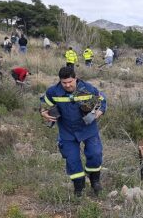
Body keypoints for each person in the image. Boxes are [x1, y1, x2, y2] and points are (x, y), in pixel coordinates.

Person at [40, 66, 107, 197]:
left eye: (70, 82)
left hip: (88, 128)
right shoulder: (54, 91)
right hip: (67, 131)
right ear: (60, 81)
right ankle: (79, 187)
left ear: (75, 78)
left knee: (95, 153)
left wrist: (99, 112)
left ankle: (95, 180)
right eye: (64, 83)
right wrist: (44, 112)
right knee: (72, 160)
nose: (67, 85)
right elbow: (44, 103)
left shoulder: (87, 89)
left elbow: (102, 101)